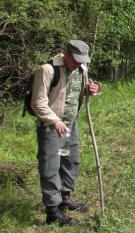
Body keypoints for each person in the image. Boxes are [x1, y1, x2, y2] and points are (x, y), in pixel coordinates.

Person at [31, 40, 100, 226]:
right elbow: (37, 103)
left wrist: (91, 90)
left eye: (81, 61)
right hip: (52, 127)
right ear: (66, 53)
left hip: (71, 125)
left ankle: (64, 198)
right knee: (50, 167)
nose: (78, 64)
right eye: (75, 60)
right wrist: (55, 121)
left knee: (70, 161)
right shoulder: (47, 70)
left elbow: (77, 91)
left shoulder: (82, 68)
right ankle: (53, 212)